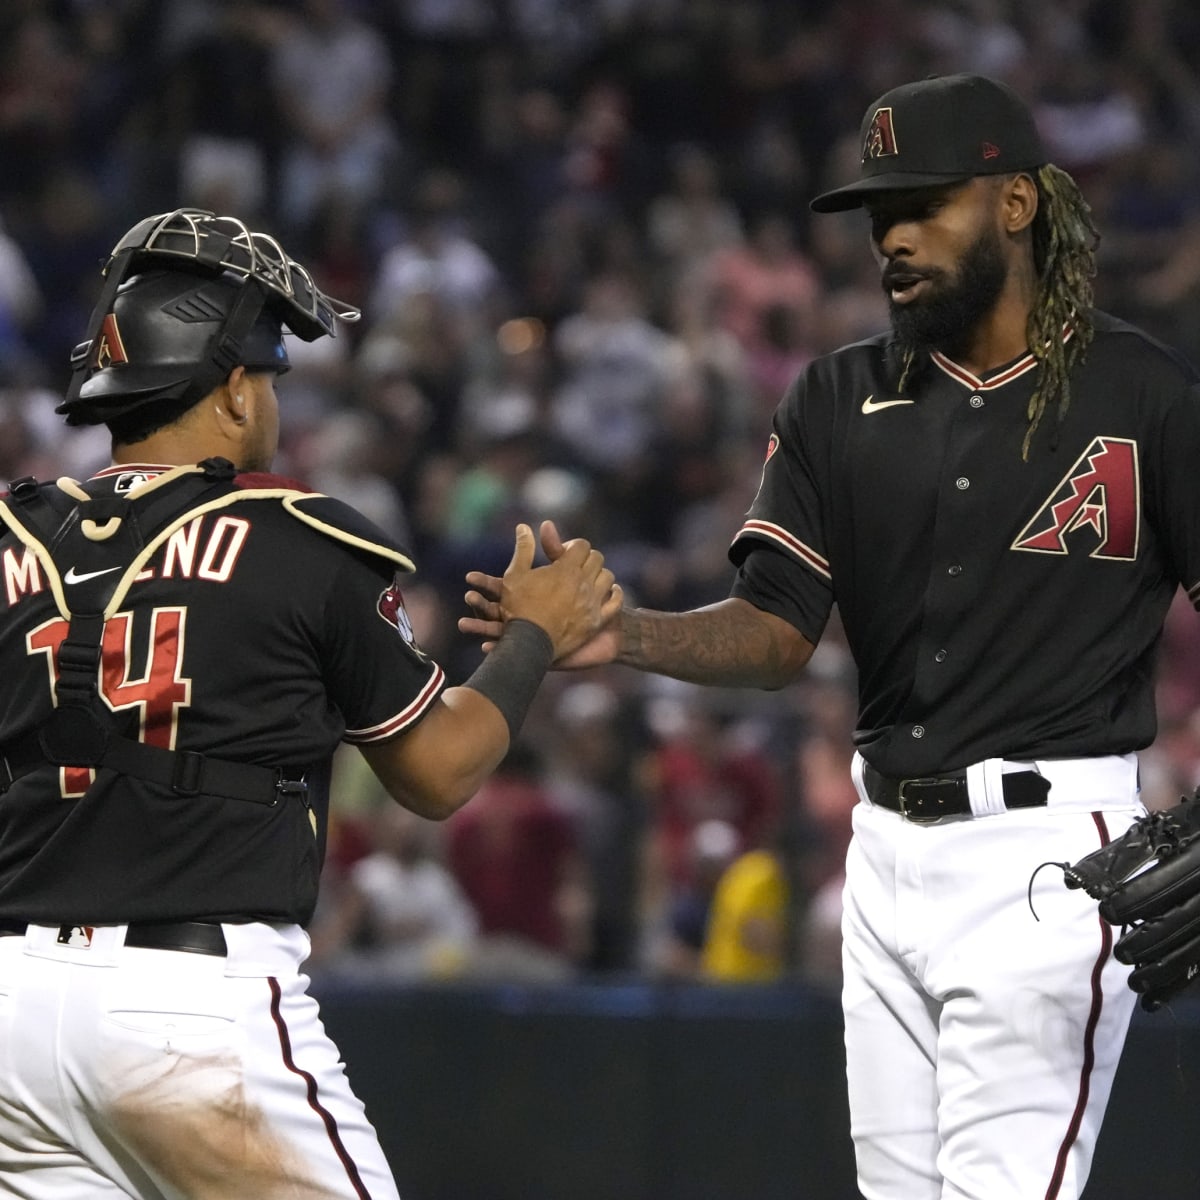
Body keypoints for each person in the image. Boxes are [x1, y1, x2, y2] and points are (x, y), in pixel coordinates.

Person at [461, 73, 1200, 1199]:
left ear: (1015, 203)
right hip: (884, 858)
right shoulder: (835, 397)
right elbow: (774, 631)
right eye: (877, 214)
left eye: (924, 204)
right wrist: (626, 636)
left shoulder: (1143, 395)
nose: (892, 237)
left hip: (1048, 857)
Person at [0, 207, 620, 1199]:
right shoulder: (300, 538)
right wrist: (534, 638)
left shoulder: (14, 539)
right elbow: (438, 770)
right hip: (189, 1007)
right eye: (270, 373)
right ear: (234, 392)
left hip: (12, 1014)